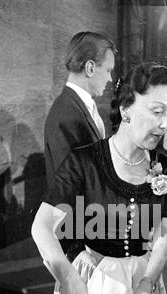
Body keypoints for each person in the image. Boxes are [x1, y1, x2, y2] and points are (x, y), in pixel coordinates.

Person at [32, 62, 167, 294]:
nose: (166, 124)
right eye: (157, 111)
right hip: (95, 279)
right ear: (126, 107)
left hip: (144, 279)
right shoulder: (84, 163)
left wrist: (145, 287)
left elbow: (165, 235)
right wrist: (67, 276)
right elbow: (41, 226)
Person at [44, 31, 116, 189]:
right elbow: (69, 183)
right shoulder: (66, 114)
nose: (110, 79)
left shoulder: (77, 105)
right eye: (108, 70)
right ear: (90, 68)